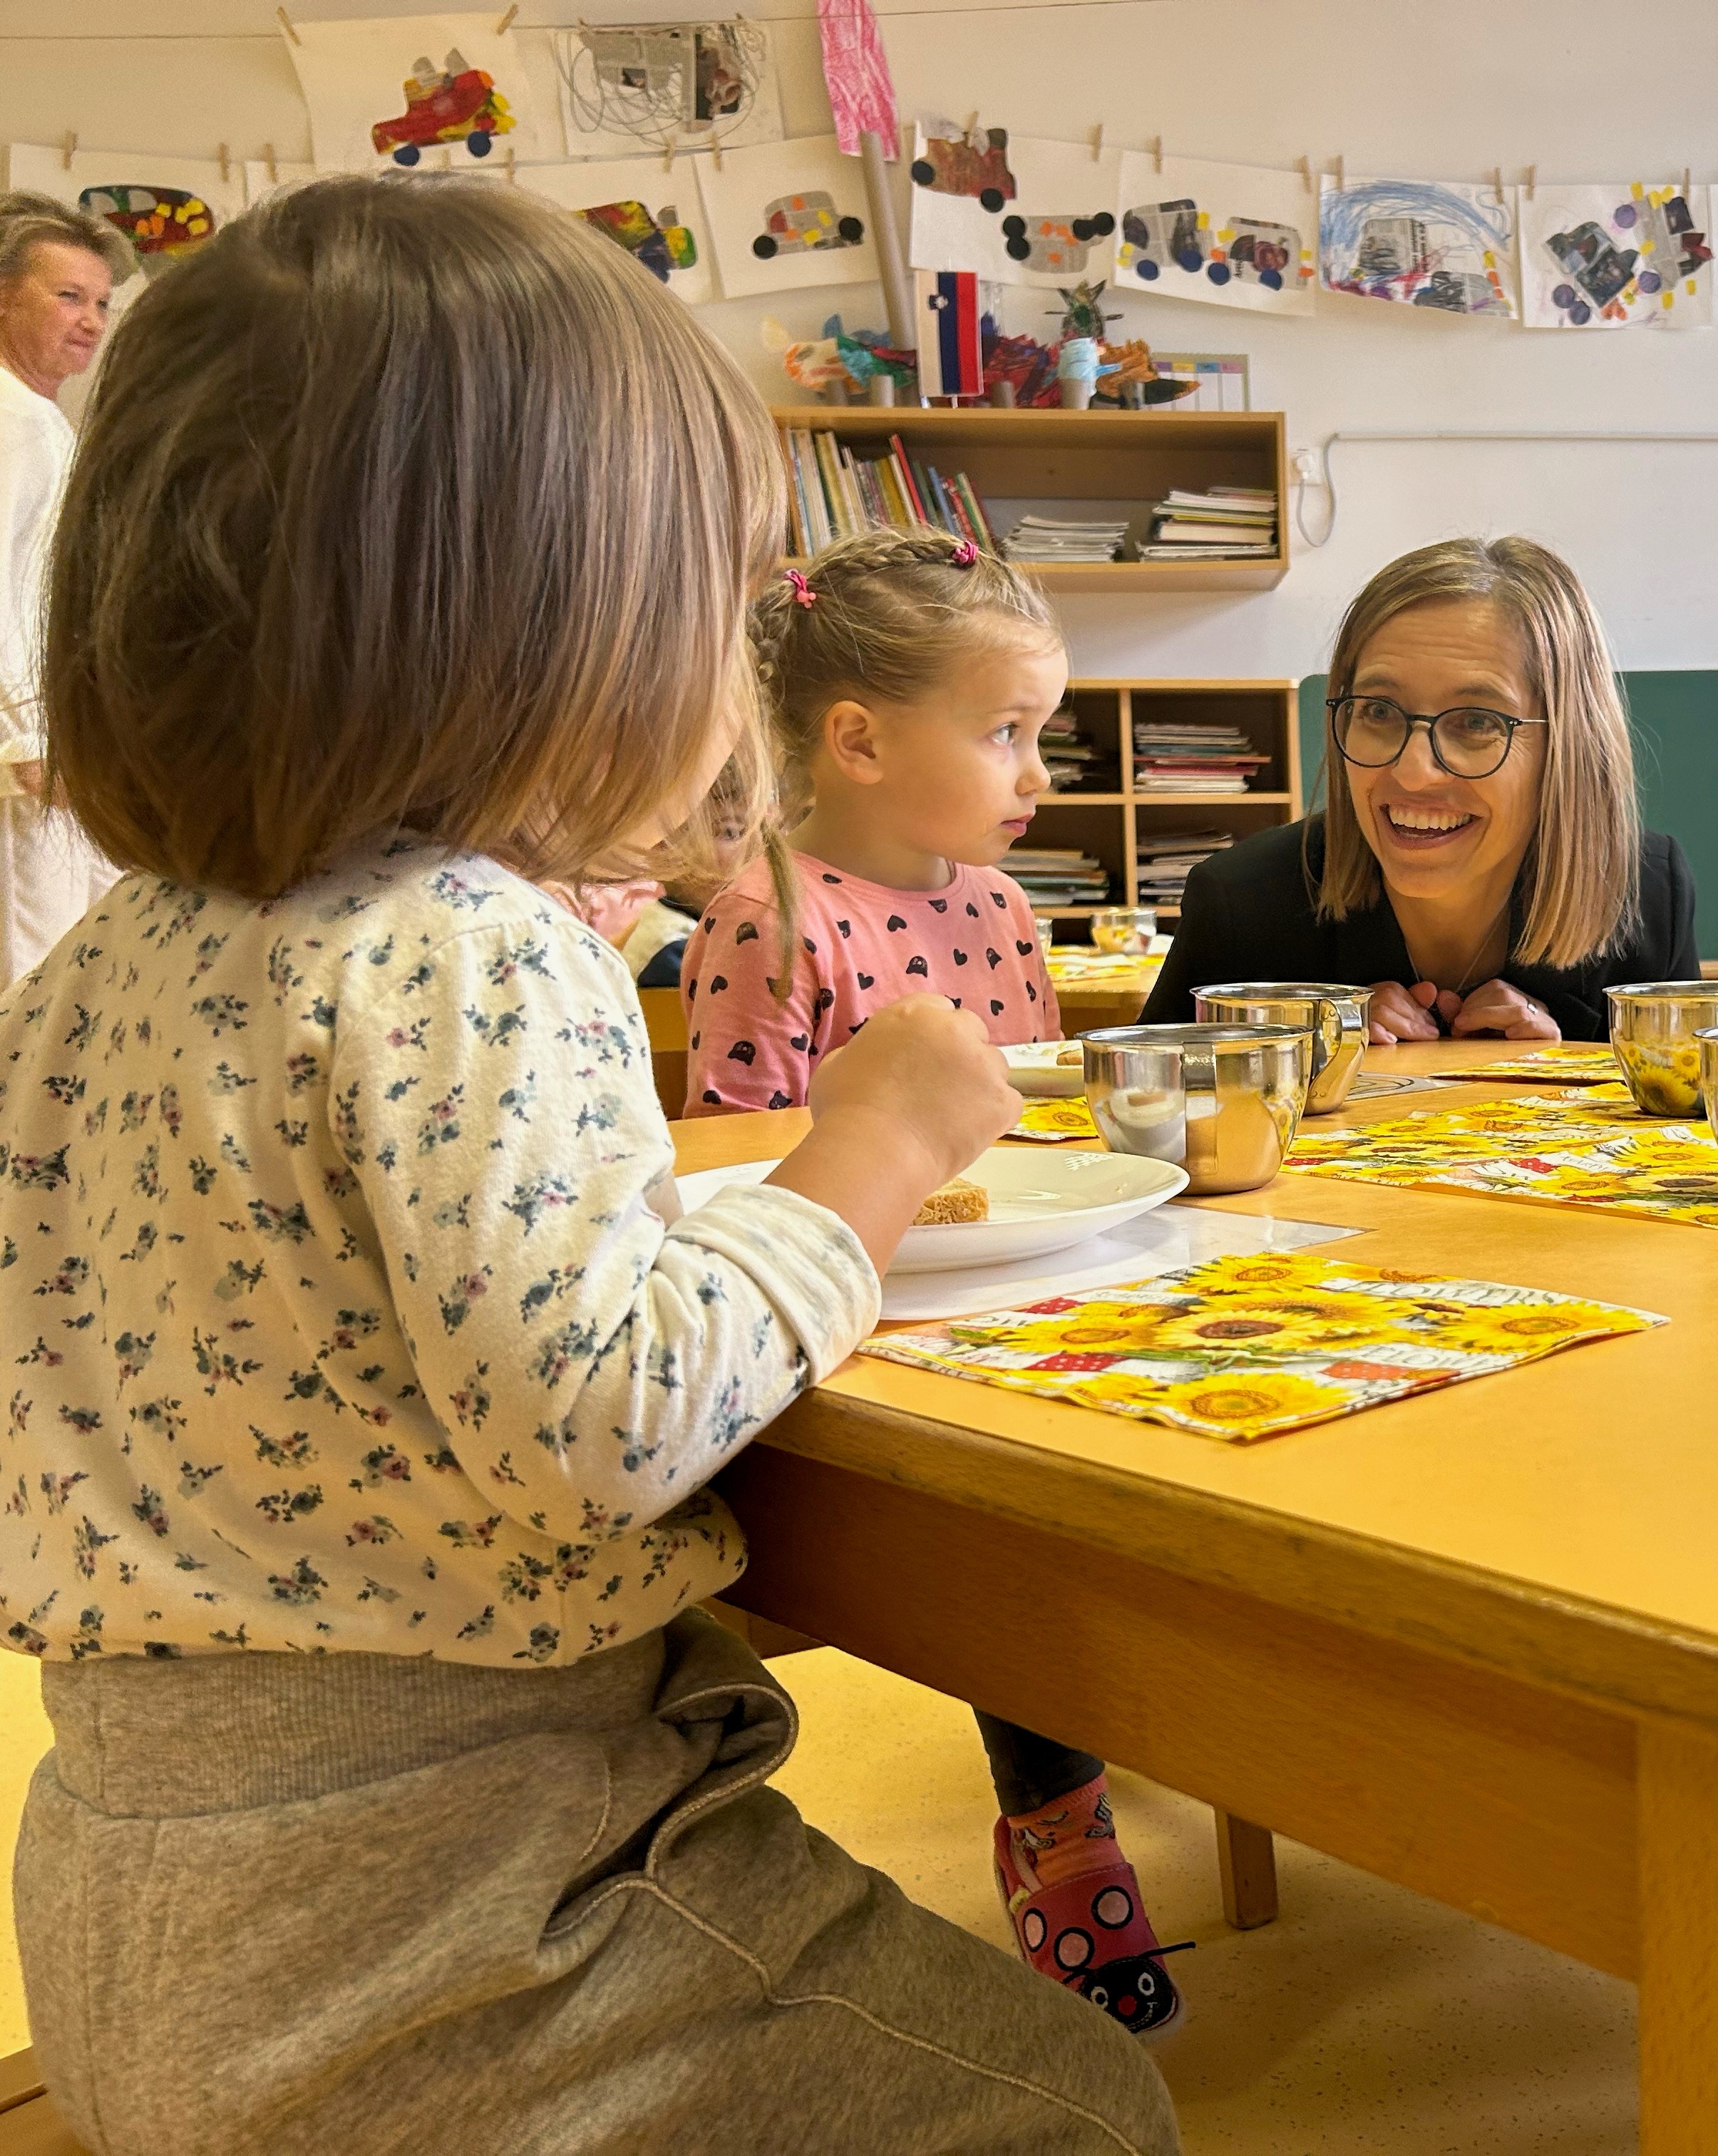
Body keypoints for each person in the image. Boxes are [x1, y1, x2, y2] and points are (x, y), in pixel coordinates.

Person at [10, 174, 1177, 2155]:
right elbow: (617, 1417)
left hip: (130, 1885)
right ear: (552, 617)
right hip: (463, 1900)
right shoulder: (467, 940)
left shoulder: (98, 966)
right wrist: (865, 1159)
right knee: (1076, 2118)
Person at [680, 528, 1183, 2040]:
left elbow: (1034, 1128)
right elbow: (739, 1163)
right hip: (858, 1326)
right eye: (1007, 733)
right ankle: (1062, 1825)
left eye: (1042, 734)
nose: (1038, 774)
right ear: (859, 740)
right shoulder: (769, 911)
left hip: (1026, 1281)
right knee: (1018, 1529)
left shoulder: (1002, 906)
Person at [1142, 536, 1697, 1043]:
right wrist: (1302, 1060)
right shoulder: (1242, 904)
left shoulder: (1646, 895)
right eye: (1379, 711)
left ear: (1567, 747)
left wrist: (1568, 1071)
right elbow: (1141, 1126)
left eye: (1478, 722)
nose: (1413, 773)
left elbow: (1695, 1136)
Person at [0, 192, 127, 984]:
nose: (91, 320)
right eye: (68, 296)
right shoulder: (12, 420)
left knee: (75, 955)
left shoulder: (41, 419)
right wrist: (28, 741)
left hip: (55, 733)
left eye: (103, 303)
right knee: (33, 970)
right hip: (24, 754)